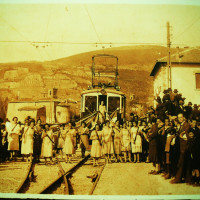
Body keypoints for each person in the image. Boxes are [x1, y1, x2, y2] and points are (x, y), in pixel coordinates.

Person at [171, 113, 190, 184]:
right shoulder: (181, 125)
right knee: (186, 163)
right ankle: (187, 179)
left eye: (181, 117)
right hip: (182, 147)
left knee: (181, 163)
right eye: (178, 118)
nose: (180, 119)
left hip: (184, 147)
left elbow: (186, 137)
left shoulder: (186, 125)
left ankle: (178, 179)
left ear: (184, 118)